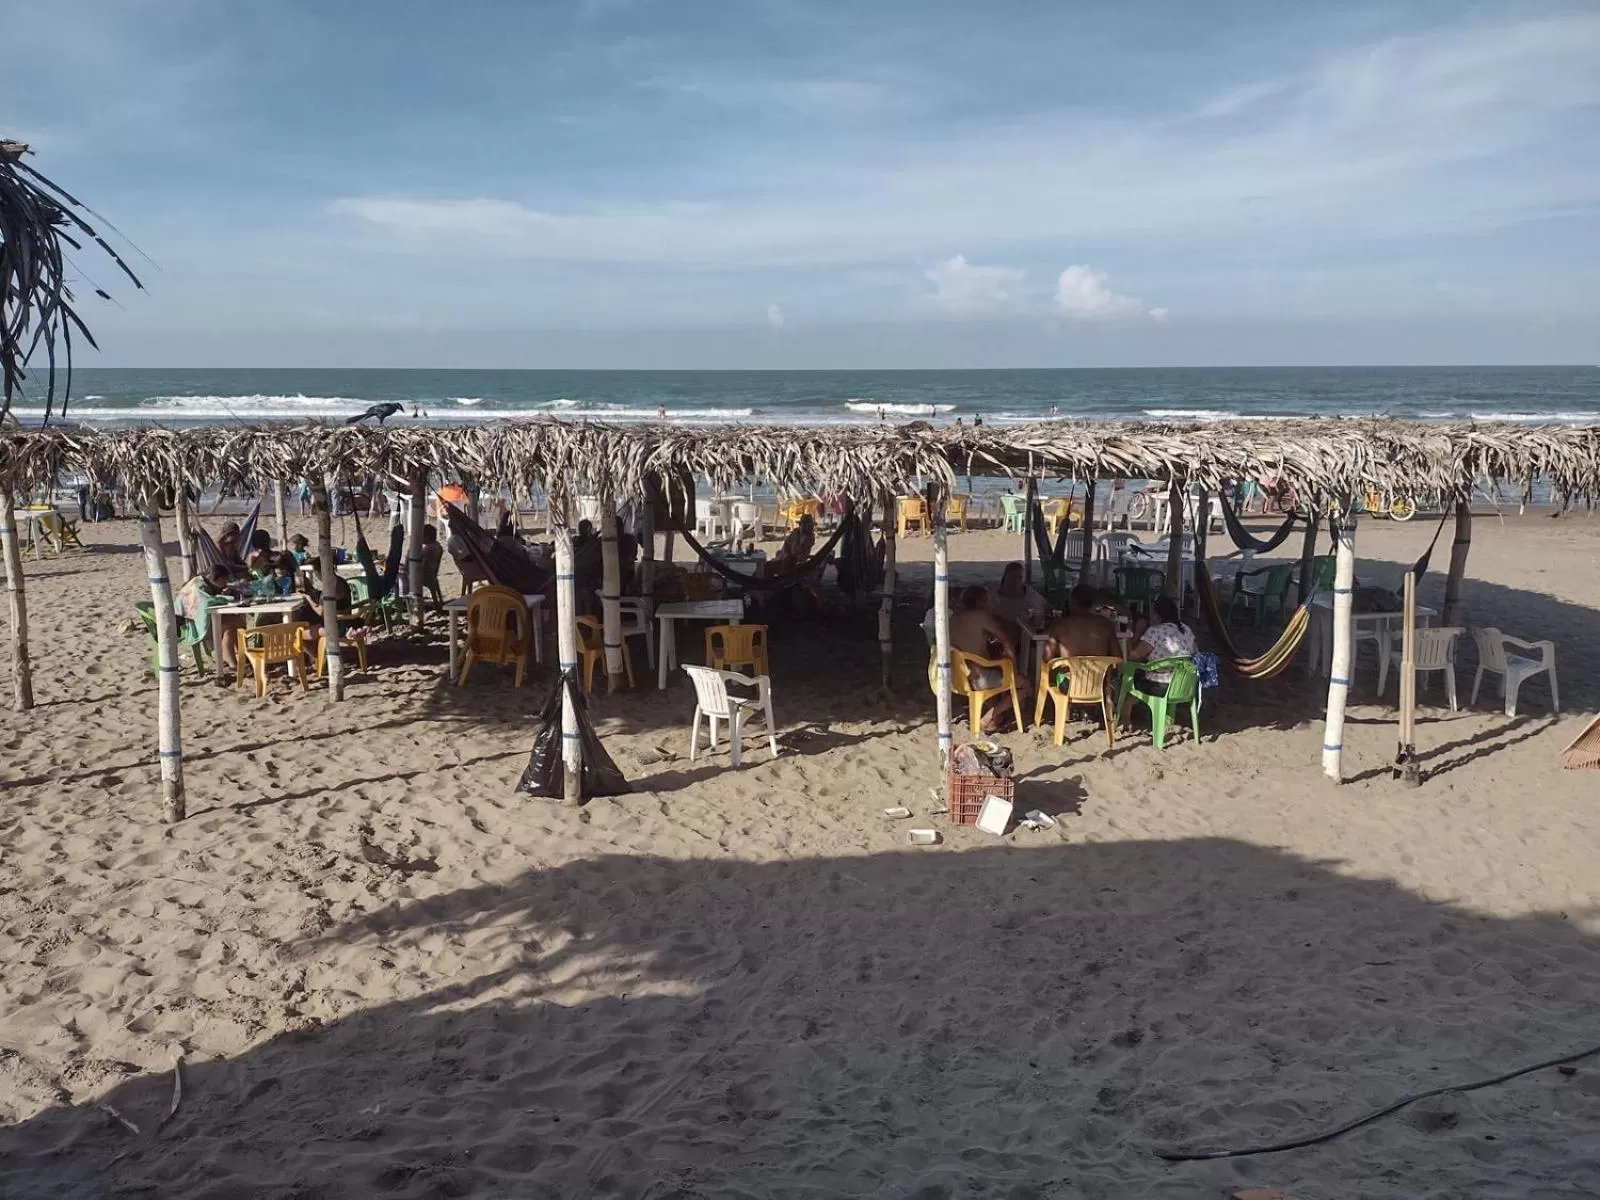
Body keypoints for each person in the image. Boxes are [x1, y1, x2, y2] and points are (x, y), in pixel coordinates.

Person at [949, 585, 1030, 731]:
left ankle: (994, 714)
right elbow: (1006, 639)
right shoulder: (980, 616)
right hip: (979, 677)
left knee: (994, 661)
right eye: (986, 600)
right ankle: (989, 717)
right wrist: (1014, 670)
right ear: (980, 602)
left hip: (959, 676)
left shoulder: (953, 617)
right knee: (1023, 685)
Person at [1126, 596, 1197, 694]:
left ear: (1157, 616)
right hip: (1186, 684)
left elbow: (1133, 656)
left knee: (1128, 685)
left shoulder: (1155, 632)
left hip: (1162, 685)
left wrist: (1136, 631)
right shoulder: (1186, 629)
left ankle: (1125, 707)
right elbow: (1196, 653)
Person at [1043, 585, 1122, 661]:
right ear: (1092, 603)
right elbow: (1118, 658)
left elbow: (1047, 657)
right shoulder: (1106, 625)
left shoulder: (1060, 625)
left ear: (1073, 601)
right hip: (1099, 674)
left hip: (1069, 674)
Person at [987, 561, 1048, 632]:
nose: (1015, 581)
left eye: (1019, 578)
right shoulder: (992, 596)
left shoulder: (1030, 594)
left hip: (1028, 632)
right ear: (1005, 577)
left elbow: (1045, 609)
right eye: (1012, 577)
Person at [420, 524, 445, 608]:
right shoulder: (438, 546)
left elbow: (422, 564)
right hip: (432, 575)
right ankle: (438, 600)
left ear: (427, 537)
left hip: (424, 576)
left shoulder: (427, 549)